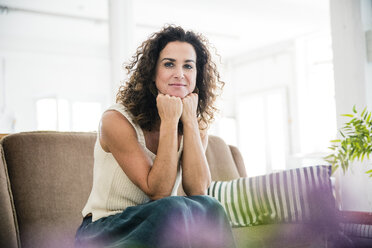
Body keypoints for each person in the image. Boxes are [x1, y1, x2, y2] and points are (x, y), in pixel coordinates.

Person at [75, 25, 236, 248]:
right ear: (152, 72)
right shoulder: (115, 120)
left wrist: (189, 121)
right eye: (169, 64)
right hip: (102, 230)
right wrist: (170, 121)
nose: (180, 73)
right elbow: (158, 193)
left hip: (157, 220)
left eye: (188, 66)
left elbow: (198, 190)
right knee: (172, 208)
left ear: (197, 75)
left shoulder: (194, 124)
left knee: (210, 205)